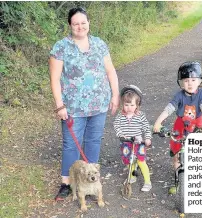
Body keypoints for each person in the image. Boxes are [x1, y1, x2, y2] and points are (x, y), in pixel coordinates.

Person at [49, 7, 120, 201]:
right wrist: (59, 105)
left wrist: (115, 95)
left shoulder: (99, 44)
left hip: (99, 104)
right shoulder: (61, 47)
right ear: (70, 26)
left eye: (83, 22)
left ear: (88, 23)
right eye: (75, 23)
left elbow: (110, 71)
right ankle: (67, 183)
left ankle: (90, 180)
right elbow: (54, 79)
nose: (80, 26)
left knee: (93, 141)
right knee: (71, 144)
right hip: (72, 107)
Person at [153, 61, 202, 171]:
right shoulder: (179, 95)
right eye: (186, 81)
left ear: (199, 81)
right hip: (181, 124)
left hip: (197, 124)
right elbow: (169, 108)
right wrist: (158, 122)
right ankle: (178, 178)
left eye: (193, 80)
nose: (190, 83)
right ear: (181, 83)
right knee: (176, 147)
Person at [113, 85, 152, 192]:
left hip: (138, 143)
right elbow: (116, 125)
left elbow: (146, 128)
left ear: (137, 105)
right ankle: (132, 177)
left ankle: (147, 182)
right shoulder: (121, 116)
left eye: (132, 105)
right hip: (126, 143)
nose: (129, 107)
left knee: (140, 161)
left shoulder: (140, 116)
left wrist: (148, 138)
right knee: (130, 161)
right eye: (126, 104)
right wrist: (121, 134)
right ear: (123, 104)